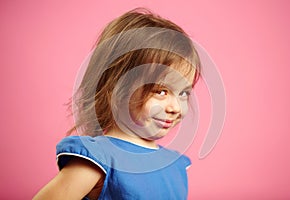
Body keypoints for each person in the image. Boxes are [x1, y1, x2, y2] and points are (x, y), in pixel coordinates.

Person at [33, 7, 201, 200]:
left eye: (183, 93)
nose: (176, 108)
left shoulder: (175, 165)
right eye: (161, 91)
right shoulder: (98, 160)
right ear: (117, 88)